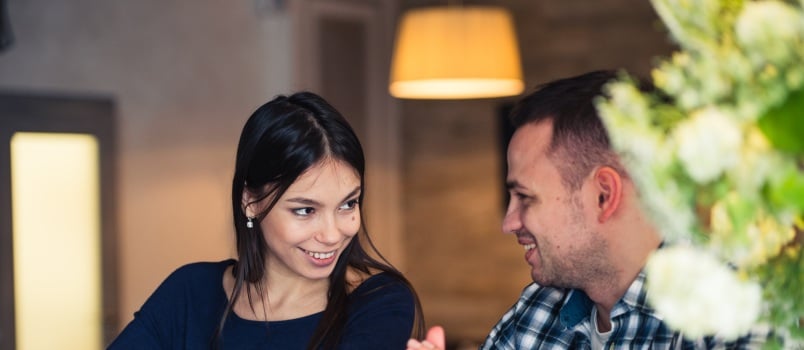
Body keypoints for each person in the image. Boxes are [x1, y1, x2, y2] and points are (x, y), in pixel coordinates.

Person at [407, 70, 770, 349]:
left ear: (603, 195)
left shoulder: (735, 311)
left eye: (526, 198)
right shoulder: (539, 308)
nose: (508, 223)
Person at [110, 91, 424, 349]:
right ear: (252, 203)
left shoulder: (377, 302)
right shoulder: (190, 292)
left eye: (347, 204)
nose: (331, 234)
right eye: (305, 210)